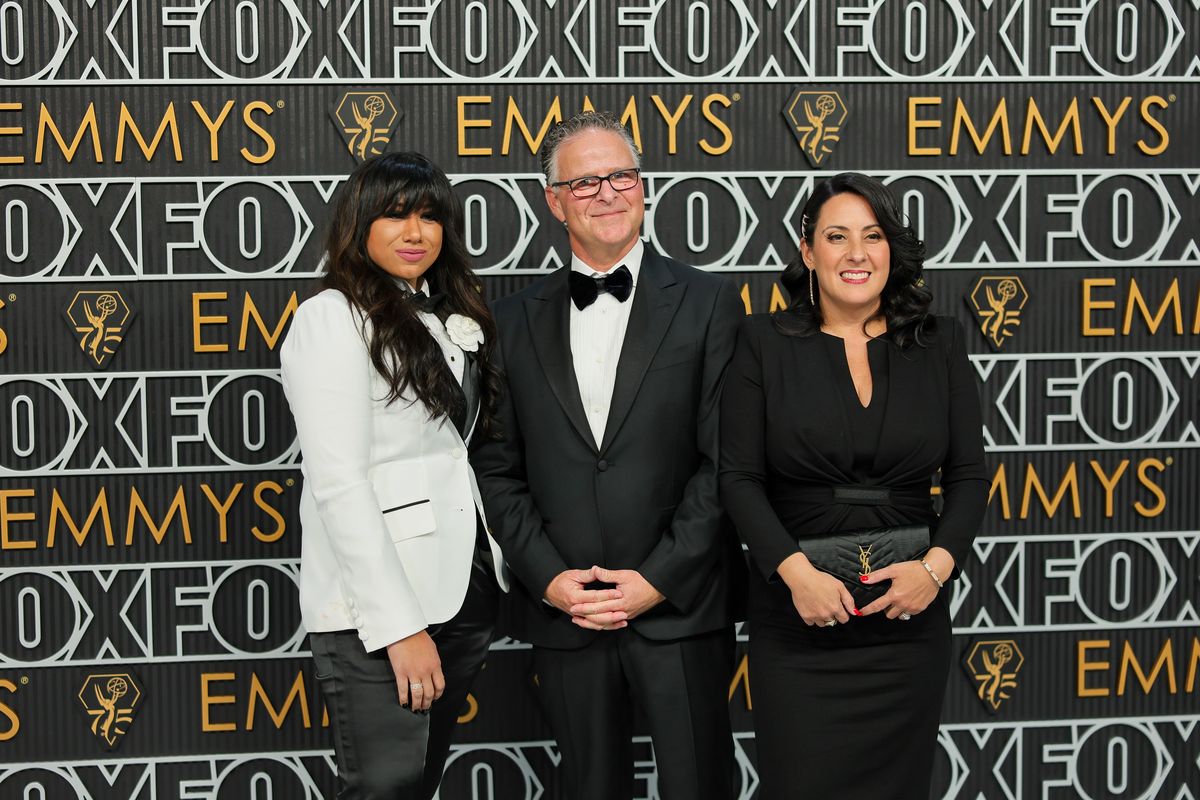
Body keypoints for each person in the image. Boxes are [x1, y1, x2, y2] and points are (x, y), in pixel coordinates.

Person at [472, 111, 744, 800]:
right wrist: (549, 579)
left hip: (681, 609)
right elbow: (497, 469)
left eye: (621, 175)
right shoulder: (507, 322)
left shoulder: (711, 303)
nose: (608, 193)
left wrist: (658, 578)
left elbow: (726, 462)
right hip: (568, 615)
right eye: (585, 181)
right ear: (554, 201)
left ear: (644, 188)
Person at [718, 172, 988, 799]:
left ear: (893, 249)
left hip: (909, 627)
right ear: (808, 252)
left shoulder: (941, 343)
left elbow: (970, 475)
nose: (857, 254)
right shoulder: (761, 344)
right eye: (836, 237)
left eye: (873, 236)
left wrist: (936, 570)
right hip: (799, 624)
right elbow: (738, 478)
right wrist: (795, 575)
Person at [280, 152, 508, 799]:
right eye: (396, 214)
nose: (417, 232)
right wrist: (399, 628)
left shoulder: (438, 315)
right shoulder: (331, 318)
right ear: (359, 223)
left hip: (458, 594)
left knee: (418, 785)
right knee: (387, 785)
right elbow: (339, 484)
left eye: (430, 215)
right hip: (376, 614)